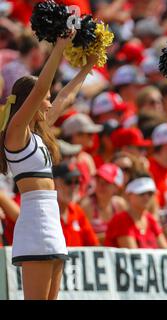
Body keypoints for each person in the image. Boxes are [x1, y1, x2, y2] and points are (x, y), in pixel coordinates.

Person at [0, 31, 97, 299]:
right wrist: (60, 46)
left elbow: (66, 96)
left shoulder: (39, 132)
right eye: (44, 97)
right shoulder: (16, 132)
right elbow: (42, 87)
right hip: (34, 220)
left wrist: (87, 67)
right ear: (29, 101)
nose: (49, 100)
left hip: (51, 219)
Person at [104, 175, 167, 249]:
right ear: (129, 195)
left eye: (150, 193)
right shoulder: (121, 220)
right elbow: (134, 255)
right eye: (141, 193)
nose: (146, 197)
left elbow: (166, 249)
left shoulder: (150, 219)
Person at [53, 162, 99, 247]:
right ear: (54, 183)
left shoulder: (77, 211)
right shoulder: (45, 213)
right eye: (68, 182)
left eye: (77, 182)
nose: (74, 186)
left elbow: (94, 245)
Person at [79, 163, 127, 244]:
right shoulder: (87, 206)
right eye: (98, 180)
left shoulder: (120, 205)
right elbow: (84, 239)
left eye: (107, 182)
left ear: (117, 187)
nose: (101, 185)